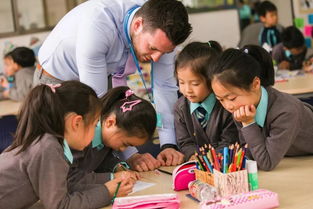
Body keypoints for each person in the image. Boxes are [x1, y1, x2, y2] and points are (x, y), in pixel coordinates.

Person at [34, 0, 192, 171]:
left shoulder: (160, 33)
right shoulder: (99, 25)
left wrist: (168, 144)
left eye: (164, 52)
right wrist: (131, 154)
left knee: (102, 153)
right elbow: (96, 104)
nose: (156, 58)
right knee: (61, 156)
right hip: (57, 78)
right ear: (138, 25)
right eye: (152, 48)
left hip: (104, 73)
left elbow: (165, 86)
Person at [0, 81, 139, 208]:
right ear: (76, 122)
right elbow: (61, 206)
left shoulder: (49, 142)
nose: (95, 132)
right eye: (95, 124)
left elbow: (69, 182)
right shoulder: (49, 147)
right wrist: (107, 192)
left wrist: (109, 184)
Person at [209, 48, 313, 171]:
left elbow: (266, 163)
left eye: (231, 98)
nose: (228, 106)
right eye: (220, 100)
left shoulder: (286, 111)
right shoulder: (240, 107)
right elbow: (249, 151)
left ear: (256, 84)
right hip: (292, 158)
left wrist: (248, 124)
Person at [69, 86, 158, 179]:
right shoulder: (81, 139)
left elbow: (100, 159)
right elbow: (72, 179)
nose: (123, 150)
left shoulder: (105, 138)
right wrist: (111, 178)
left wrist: (118, 168)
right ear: (110, 123)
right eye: (125, 144)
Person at [174, 41, 238, 161]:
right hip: (196, 166)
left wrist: (211, 159)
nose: (187, 90)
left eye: (195, 84)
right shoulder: (180, 108)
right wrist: (192, 155)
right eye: (181, 82)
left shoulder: (226, 106)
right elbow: (184, 141)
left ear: (211, 80)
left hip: (222, 165)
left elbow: (229, 141)